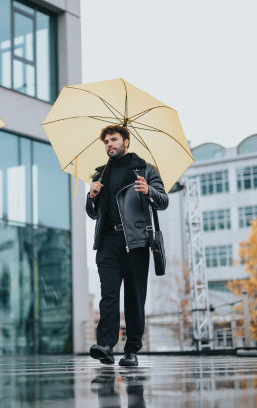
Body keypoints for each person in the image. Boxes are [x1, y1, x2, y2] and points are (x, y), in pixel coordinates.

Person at [85, 124, 168, 366]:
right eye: (107, 142)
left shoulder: (145, 170)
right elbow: (91, 213)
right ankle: (106, 346)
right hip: (107, 243)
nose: (110, 144)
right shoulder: (100, 175)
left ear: (126, 142)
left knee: (134, 298)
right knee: (108, 296)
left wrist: (148, 190)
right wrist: (91, 197)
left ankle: (131, 350)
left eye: (114, 140)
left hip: (136, 243)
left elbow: (163, 201)